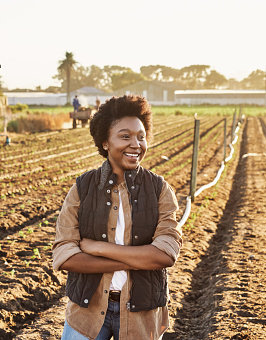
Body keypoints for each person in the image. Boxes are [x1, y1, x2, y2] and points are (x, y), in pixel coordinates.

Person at [53, 94, 182, 340]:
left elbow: (164, 255)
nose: (136, 144)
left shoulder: (159, 190)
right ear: (105, 142)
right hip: (87, 311)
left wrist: (98, 248)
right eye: (125, 136)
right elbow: (65, 256)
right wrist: (138, 259)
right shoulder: (83, 188)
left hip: (141, 316)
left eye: (141, 136)